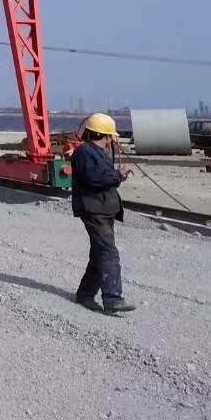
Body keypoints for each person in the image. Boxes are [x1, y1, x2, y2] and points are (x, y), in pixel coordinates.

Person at [71, 113, 136, 314]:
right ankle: (113, 299)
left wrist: (118, 176)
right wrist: (117, 175)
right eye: (111, 136)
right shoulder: (84, 152)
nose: (112, 140)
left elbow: (105, 179)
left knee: (99, 254)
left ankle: (85, 295)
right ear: (105, 135)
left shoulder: (99, 153)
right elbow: (93, 178)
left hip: (105, 209)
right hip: (93, 210)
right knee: (108, 253)